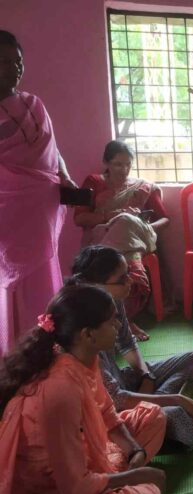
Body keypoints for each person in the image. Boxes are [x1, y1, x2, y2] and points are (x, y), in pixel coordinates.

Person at [0, 285, 166, 494]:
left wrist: (135, 450)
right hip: (54, 493)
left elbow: (108, 413)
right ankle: (123, 490)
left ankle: (118, 483)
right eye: (112, 322)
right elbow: (74, 488)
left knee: (154, 417)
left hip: (89, 455)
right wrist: (134, 477)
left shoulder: (84, 359)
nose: (118, 326)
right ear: (88, 334)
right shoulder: (59, 392)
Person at [68, 245, 193, 450]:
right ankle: (167, 419)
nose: (130, 282)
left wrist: (145, 376)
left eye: (128, 274)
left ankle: (161, 408)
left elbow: (126, 342)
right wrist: (176, 399)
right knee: (176, 414)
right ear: (93, 285)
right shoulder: (81, 336)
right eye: (122, 279)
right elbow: (116, 402)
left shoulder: (110, 301)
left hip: (122, 384)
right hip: (109, 412)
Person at [0, 30, 78, 353]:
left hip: (40, 213)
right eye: (4, 61)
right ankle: (15, 354)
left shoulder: (35, 104)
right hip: (9, 215)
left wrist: (66, 177)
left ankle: (44, 349)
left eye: (18, 61)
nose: (14, 68)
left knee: (44, 279)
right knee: (12, 285)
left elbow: (53, 150)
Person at [74, 140, 170, 341]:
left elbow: (165, 219)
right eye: (118, 164)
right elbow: (80, 218)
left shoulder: (142, 187)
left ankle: (116, 320)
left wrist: (138, 225)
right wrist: (113, 216)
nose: (123, 169)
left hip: (139, 236)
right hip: (101, 237)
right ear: (106, 163)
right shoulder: (92, 181)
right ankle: (124, 319)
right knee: (123, 220)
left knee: (127, 221)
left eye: (128, 164)